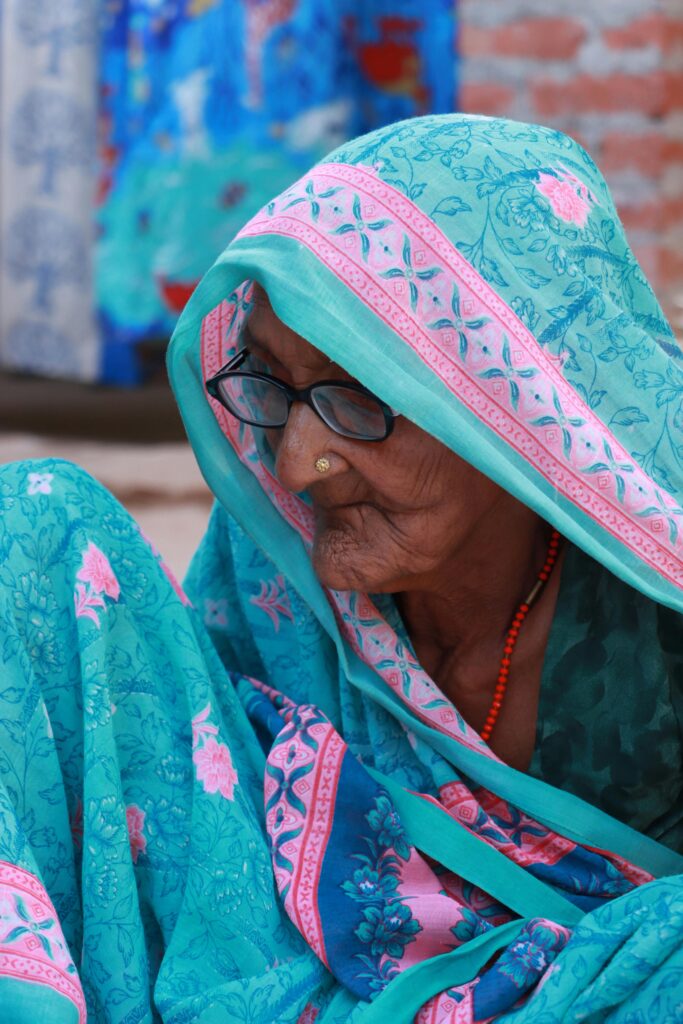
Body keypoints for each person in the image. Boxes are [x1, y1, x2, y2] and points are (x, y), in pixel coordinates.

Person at [0, 114, 681, 1024]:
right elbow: (207, 796)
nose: (294, 463)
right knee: (32, 526)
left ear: (512, 404)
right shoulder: (276, 552)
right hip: (275, 961)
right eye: (272, 383)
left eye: (355, 397)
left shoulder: (651, 598)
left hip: (591, 989)